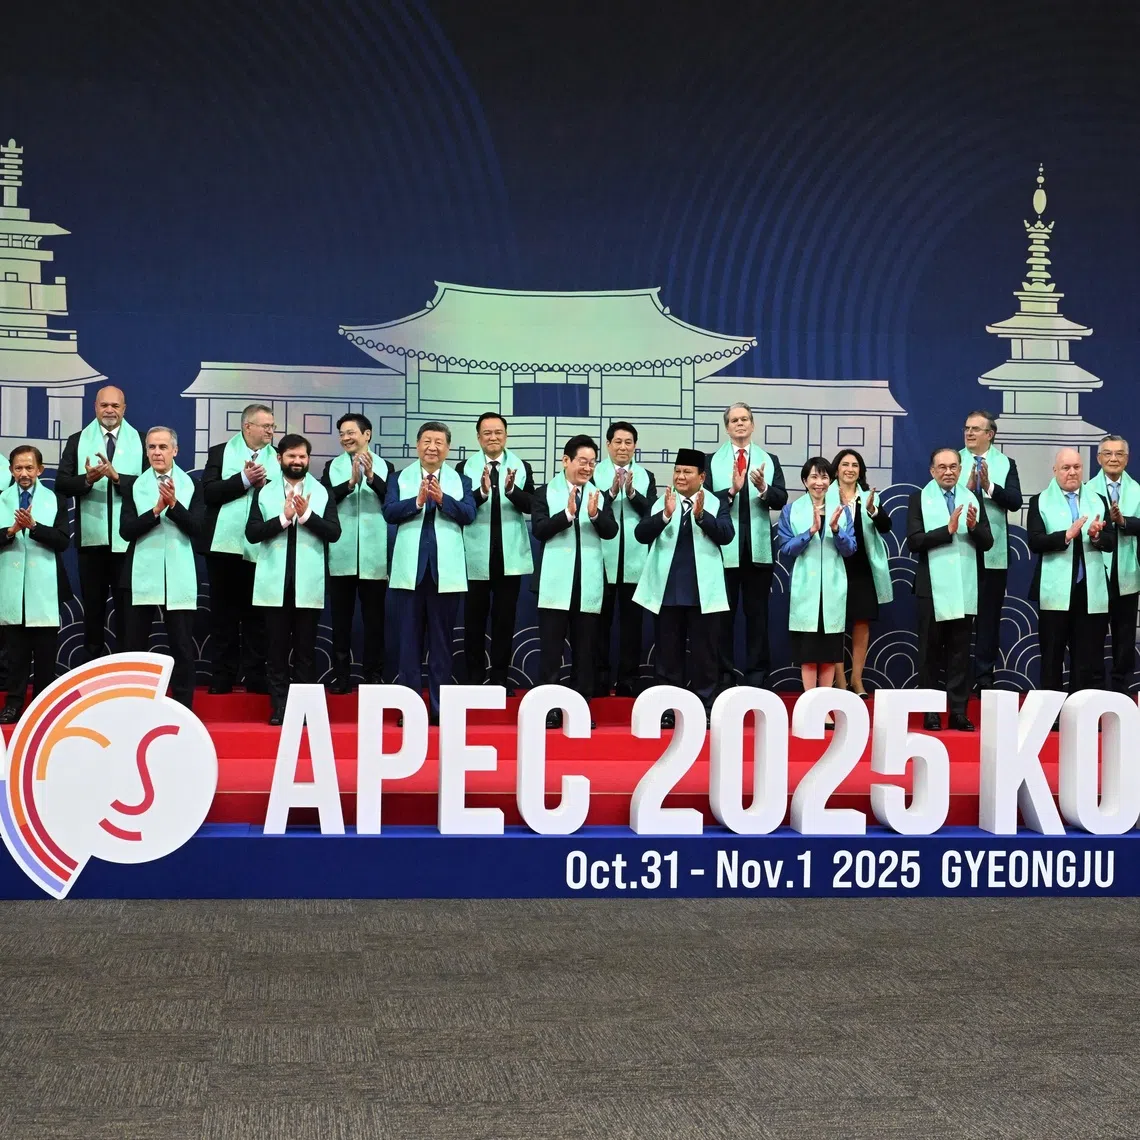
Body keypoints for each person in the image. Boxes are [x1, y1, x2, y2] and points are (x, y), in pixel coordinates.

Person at [633, 449, 733, 728]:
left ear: (702, 477)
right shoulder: (662, 501)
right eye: (677, 471)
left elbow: (726, 535)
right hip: (668, 590)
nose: (680, 476)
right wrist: (664, 515)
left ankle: (704, 707)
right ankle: (667, 709)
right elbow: (641, 534)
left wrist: (702, 517)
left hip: (704, 592)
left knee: (705, 655)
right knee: (667, 654)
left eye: (687, 472)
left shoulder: (716, 503)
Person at [246, 434, 341, 726]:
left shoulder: (322, 492)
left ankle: (305, 711)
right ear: (279, 459)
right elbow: (252, 533)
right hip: (273, 584)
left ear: (308, 459)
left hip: (308, 585)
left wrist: (306, 515)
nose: (297, 462)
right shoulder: (264, 492)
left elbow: (334, 533)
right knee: (274, 652)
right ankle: (279, 709)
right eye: (291, 456)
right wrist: (284, 518)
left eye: (302, 457)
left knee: (305, 653)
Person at [384, 421, 476, 723]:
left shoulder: (460, 480)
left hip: (445, 575)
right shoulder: (399, 477)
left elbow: (469, 514)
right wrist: (418, 501)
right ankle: (409, 710)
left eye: (438, 442)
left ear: (447, 448)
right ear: (417, 444)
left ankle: (439, 709)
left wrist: (441, 500)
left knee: (441, 646)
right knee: (408, 645)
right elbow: (390, 512)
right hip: (409, 574)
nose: (432, 447)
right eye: (426, 441)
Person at [531, 435, 618, 729]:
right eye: (582, 461)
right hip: (555, 584)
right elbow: (540, 531)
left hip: (588, 583)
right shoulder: (545, 493)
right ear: (565, 460)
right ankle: (549, 709)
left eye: (592, 463)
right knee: (551, 652)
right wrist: (568, 513)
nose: (588, 468)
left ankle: (580, 708)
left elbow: (611, 531)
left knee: (586, 652)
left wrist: (594, 515)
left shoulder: (599, 495)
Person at [906, 447, 993, 732]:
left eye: (953, 466)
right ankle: (931, 712)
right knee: (930, 653)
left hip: (964, 586)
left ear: (959, 469)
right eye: (942, 467)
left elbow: (988, 541)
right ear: (932, 470)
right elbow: (914, 541)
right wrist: (948, 529)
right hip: (930, 588)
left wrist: (973, 526)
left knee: (959, 653)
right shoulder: (919, 499)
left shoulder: (972, 498)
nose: (948, 472)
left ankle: (958, 710)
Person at [55, 385, 142, 659]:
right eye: (104, 405)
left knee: (128, 612)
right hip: (90, 544)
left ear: (124, 409)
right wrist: (87, 480)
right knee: (92, 611)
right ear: (95, 407)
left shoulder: (141, 440)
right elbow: (62, 483)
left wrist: (117, 478)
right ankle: (93, 672)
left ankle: (128, 671)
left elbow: (150, 486)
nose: (109, 411)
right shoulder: (77, 440)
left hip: (129, 542)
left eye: (115, 406)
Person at [119, 427, 203, 708]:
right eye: (152, 447)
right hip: (140, 575)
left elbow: (199, 529)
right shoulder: (136, 486)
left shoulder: (192, 485)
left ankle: (183, 706)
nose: (157, 452)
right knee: (135, 645)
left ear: (175, 451)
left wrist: (174, 505)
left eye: (163, 447)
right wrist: (155, 511)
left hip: (178, 573)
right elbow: (126, 531)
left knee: (181, 645)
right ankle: (135, 703)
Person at [706, 401, 788, 690]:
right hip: (722, 551)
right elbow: (703, 503)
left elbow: (780, 498)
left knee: (758, 620)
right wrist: (731, 490)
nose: (740, 424)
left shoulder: (770, 460)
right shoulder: (710, 461)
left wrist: (764, 488)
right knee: (721, 620)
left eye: (745, 419)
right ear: (727, 428)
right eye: (734, 420)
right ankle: (724, 679)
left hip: (757, 553)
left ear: (753, 425)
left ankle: (757, 680)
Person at [200, 403, 278, 694]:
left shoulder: (278, 457)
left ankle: (256, 676)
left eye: (272, 425)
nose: (271, 430)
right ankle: (222, 676)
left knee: (258, 616)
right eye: (265, 425)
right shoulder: (220, 452)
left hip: (262, 546)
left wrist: (264, 482)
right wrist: (245, 480)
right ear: (247, 427)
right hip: (223, 547)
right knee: (223, 615)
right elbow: (209, 493)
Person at [456, 413, 534, 694]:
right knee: (473, 621)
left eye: (498, 432)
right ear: (478, 438)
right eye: (487, 433)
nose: (493, 437)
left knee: (504, 621)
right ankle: (474, 678)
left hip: (508, 555)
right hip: (476, 553)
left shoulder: (521, 466)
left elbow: (532, 506)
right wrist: (481, 493)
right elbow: (460, 508)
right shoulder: (465, 467)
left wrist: (511, 490)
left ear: (506, 435)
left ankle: (500, 678)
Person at [1027, 447, 1114, 699]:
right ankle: (1051, 714)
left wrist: (1097, 537)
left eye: (1076, 467)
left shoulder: (1099, 499)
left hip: (1090, 589)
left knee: (1086, 657)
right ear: (1055, 471)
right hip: (1055, 591)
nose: (1072, 472)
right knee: (1052, 655)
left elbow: (1110, 542)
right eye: (1066, 468)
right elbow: (1034, 542)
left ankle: (1080, 713)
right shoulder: (1039, 501)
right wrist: (1065, 536)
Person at [321, 413, 393, 693]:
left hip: (375, 556)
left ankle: (373, 674)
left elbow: (393, 500)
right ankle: (341, 676)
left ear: (367, 434)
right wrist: (350, 483)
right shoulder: (332, 466)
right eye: (341, 433)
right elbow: (324, 501)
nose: (346, 438)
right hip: (341, 553)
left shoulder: (386, 466)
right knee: (341, 620)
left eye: (351, 432)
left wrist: (372, 477)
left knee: (375, 621)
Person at [778, 458, 856, 709]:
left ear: (830, 481)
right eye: (813, 477)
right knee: (809, 655)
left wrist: (835, 529)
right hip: (806, 590)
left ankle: (824, 708)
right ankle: (810, 708)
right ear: (804, 481)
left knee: (830, 654)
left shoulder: (841, 510)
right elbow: (786, 548)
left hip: (833, 588)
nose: (819, 483)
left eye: (824, 478)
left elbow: (850, 549)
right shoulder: (792, 510)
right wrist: (810, 531)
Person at [0, 447, 71, 722]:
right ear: (11, 471)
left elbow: (63, 541)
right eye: (18, 468)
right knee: (15, 654)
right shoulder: (3, 499)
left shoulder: (54, 499)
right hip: (12, 587)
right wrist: (11, 531)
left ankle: (42, 707)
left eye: (29, 468)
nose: (24, 474)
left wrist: (34, 526)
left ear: (40, 470)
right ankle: (13, 704)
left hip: (45, 590)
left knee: (44, 656)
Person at [959, 410, 1023, 691]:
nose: (969, 433)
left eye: (976, 429)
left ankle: (984, 678)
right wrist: (968, 487)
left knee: (988, 619)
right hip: (958, 552)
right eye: (967, 428)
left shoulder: (1006, 464)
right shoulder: (952, 460)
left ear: (990, 434)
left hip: (992, 554)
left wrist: (988, 486)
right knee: (958, 619)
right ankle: (956, 678)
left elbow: (1015, 501)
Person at [594, 421, 655, 696]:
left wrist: (631, 493)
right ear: (608, 445)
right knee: (598, 623)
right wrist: (610, 493)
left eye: (628, 442)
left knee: (632, 625)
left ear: (635, 446)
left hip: (634, 559)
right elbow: (590, 507)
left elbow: (652, 512)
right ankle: (599, 678)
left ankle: (629, 679)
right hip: (600, 559)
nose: (623, 447)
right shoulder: (592, 472)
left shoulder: (646, 475)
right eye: (617, 441)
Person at [828, 448, 892, 697]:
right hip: (833, 565)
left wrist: (872, 510)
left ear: (861, 471)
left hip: (863, 568)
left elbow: (886, 526)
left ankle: (857, 679)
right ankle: (840, 682)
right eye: (845, 464)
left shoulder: (868, 498)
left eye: (855, 465)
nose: (850, 469)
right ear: (836, 469)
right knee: (834, 623)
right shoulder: (826, 495)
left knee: (861, 621)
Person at [1088, 435, 1140, 693]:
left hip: (1128, 572)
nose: (1113, 459)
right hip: (1097, 572)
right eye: (1107, 454)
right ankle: (1095, 690)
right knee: (1094, 634)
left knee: (1125, 636)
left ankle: (1121, 689)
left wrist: (1123, 522)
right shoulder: (1087, 490)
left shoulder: (1138, 490)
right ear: (1099, 459)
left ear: (1127, 459)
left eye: (1119, 454)